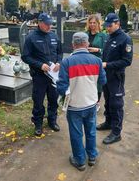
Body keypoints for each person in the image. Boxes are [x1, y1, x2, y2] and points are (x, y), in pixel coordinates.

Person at [57, 32, 106, 171]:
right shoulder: (97, 61)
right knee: (91, 131)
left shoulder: (67, 62)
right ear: (87, 44)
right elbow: (103, 81)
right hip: (91, 103)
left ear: (73, 44)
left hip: (74, 106)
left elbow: (61, 87)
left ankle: (79, 160)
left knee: (76, 133)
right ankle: (92, 156)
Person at [21, 12, 62, 136]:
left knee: (53, 99)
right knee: (38, 100)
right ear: (39, 23)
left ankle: (52, 120)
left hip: (53, 76)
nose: (49, 27)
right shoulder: (31, 38)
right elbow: (25, 57)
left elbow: (60, 53)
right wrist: (40, 65)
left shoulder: (54, 36)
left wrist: (59, 62)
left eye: (50, 24)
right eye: (46, 24)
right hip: (39, 75)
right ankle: (38, 123)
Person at [97, 13, 133, 145]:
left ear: (117, 24)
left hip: (116, 77)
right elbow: (105, 55)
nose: (108, 28)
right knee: (107, 101)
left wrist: (107, 64)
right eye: (106, 26)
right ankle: (108, 122)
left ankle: (116, 132)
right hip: (106, 75)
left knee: (116, 104)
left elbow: (127, 61)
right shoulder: (108, 37)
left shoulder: (125, 39)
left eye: (110, 26)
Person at [86, 14, 107, 111]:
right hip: (86, 62)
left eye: (94, 22)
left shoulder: (103, 35)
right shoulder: (85, 34)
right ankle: (88, 101)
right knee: (87, 82)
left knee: (98, 84)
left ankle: (97, 102)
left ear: (98, 23)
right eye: (90, 23)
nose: (92, 24)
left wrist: (97, 50)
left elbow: (106, 51)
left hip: (97, 62)